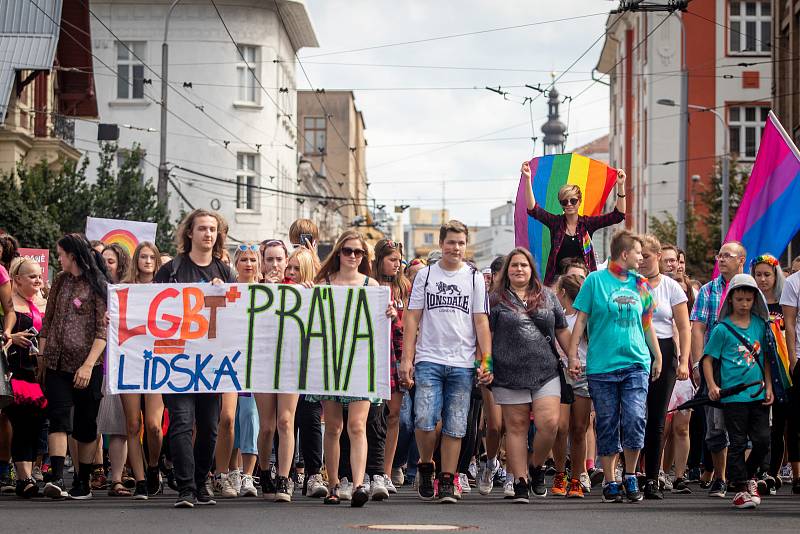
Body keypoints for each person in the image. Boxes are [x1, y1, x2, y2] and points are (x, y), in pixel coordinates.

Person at [399, 220, 492, 504]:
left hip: (463, 362)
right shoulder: (426, 276)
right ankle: (426, 464)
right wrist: (407, 359)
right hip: (429, 358)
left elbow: (481, 321)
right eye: (451, 242)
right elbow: (412, 317)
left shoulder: (474, 277)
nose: (456, 248)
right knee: (424, 420)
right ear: (441, 244)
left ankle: (448, 480)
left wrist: (486, 362)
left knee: (455, 424)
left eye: (461, 243)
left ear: (466, 245)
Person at [567, 230, 662, 504]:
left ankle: (630, 475)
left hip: (635, 363)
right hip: (602, 367)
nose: (642, 257)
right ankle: (610, 480)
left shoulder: (641, 283)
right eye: (638, 252)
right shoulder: (595, 281)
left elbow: (646, 323)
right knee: (607, 422)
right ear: (624, 254)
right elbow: (581, 321)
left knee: (634, 418)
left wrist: (656, 355)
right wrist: (573, 355)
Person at [153, 209, 237, 508]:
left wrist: (224, 294)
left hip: (212, 364)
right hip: (176, 362)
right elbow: (149, 310)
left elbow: (236, 317)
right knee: (181, 422)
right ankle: (186, 487)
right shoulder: (172, 270)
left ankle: (202, 481)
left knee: (209, 426)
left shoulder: (225, 272)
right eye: (202, 228)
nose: (208, 234)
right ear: (190, 232)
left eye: (213, 229)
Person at [307, 230, 384, 507]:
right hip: (330, 361)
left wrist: (387, 313)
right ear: (338, 252)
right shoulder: (323, 284)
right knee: (334, 426)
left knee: (357, 424)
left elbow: (379, 326)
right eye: (348, 250)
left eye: (359, 252)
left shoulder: (372, 286)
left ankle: (360, 483)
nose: (353, 256)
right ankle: (334, 484)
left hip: (360, 361)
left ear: (364, 257)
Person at [488, 247, 569, 503]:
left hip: (546, 371)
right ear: (507, 271)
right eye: (514, 266)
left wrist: (573, 357)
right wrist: (486, 364)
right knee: (516, 427)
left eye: (523, 265)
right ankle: (520, 481)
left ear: (531, 268)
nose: (519, 269)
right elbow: (486, 336)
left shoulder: (547, 295)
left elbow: (561, 330)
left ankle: (535, 467)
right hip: (508, 373)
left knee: (549, 424)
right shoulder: (495, 299)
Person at [40, 234, 110, 500]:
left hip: (87, 366)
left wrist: (88, 365)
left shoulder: (97, 285)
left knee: (85, 423)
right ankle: (57, 477)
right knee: (58, 415)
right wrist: (43, 356)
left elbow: (102, 330)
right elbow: (48, 320)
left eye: (61, 254)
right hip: (56, 363)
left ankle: (83, 481)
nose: (59, 259)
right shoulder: (59, 281)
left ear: (73, 255)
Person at [702, 274, 773, 509]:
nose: (744, 304)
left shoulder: (761, 325)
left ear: (755, 300)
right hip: (733, 396)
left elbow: (767, 360)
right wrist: (712, 386)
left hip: (758, 394)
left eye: (749, 299)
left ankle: (747, 477)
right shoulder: (722, 329)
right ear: (730, 299)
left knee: (763, 440)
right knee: (738, 442)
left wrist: (769, 387)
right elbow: (708, 360)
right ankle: (741, 488)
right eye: (740, 299)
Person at [691, 241, 746, 498]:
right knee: (714, 426)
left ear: (741, 260)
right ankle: (721, 478)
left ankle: (743, 477)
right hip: (714, 366)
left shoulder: (749, 291)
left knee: (742, 423)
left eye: (727, 256)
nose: (721, 260)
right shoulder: (708, 290)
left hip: (742, 367)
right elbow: (698, 328)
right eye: (720, 255)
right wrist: (697, 363)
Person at [637, 236, 691, 499]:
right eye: (638, 256)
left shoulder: (671, 287)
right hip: (633, 350)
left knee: (657, 418)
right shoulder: (629, 284)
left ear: (658, 256)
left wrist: (683, 361)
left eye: (646, 256)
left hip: (665, 349)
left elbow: (683, 326)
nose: (641, 261)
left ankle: (651, 478)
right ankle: (628, 473)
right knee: (633, 415)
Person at [520, 160, 627, 286]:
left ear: (579, 201)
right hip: (558, 284)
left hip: (583, 283)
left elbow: (618, 215)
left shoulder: (587, 223)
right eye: (564, 202)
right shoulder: (555, 223)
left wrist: (620, 185)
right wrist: (527, 178)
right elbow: (533, 209)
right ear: (561, 204)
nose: (569, 204)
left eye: (573, 200)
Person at [253, 239, 300, 503]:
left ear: (286, 262)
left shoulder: (296, 291)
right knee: (268, 425)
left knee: (285, 420)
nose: (274, 265)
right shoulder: (255, 290)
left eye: (279, 259)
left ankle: (284, 477)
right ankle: (263, 470)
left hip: (290, 362)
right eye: (269, 259)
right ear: (262, 261)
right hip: (262, 362)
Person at [120, 242, 165, 497]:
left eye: (152, 257)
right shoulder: (125, 290)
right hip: (130, 360)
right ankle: (139, 480)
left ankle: (153, 465)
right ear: (136, 259)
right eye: (143, 257)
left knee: (154, 426)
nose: (147, 261)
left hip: (158, 362)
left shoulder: (167, 289)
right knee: (133, 424)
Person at [283, 246, 326, 498]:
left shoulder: (318, 294)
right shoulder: (277, 292)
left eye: (297, 268)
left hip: (310, 365)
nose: (290, 272)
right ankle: (285, 476)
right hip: (284, 365)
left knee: (310, 418)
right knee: (284, 421)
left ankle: (313, 474)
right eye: (289, 267)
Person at [3, 258, 46, 497]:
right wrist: (10, 337)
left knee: (33, 423)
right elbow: (6, 333)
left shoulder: (35, 304)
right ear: (17, 280)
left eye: (39, 276)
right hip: (11, 371)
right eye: (32, 276)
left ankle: (26, 476)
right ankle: (23, 477)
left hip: (32, 372)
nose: (38, 280)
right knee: (21, 422)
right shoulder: (9, 305)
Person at [372, 239, 410, 496]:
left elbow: (411, 323)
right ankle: (370, 469)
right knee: (372, 416)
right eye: (392, 259)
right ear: (379, 260)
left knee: (394, 415)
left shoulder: (404, 287)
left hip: (397, 354)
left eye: (399, 260)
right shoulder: (369, 283)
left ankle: (386, 471)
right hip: (374, 355)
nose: (397, 265)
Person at [222, 244, 261, 498]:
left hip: (257, 363)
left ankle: (248, 474)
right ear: (236, 264)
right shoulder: (227, 291)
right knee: (229, 418)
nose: (248, 264)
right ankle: (232, 469)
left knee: (250, 416)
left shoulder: (268, 292)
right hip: (228, 361)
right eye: (243, 259)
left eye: (252, 260)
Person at [97, 244, 134, 497]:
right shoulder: (93, 289)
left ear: (120, 264)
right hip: (98, 361)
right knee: (95, 423)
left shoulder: (131, 291)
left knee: (120, 425)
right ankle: (93, 473)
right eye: (103, 260)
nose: (106, 264)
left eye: (111, 260)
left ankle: (118, 478)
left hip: (124, 363)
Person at [552, 273, 593, 497]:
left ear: (564, 292)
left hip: (583, 372)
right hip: (559, 373)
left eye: (558, 291)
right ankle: (560, 473)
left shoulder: (586, 316)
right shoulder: (556, 316)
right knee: (560, 427)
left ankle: (577, 478)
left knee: (579, 429)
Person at [776, 258, 800, 494]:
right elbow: (790, 324)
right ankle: (797, 475)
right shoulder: (794, 282)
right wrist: (792, 359)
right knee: (796, 421)